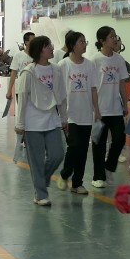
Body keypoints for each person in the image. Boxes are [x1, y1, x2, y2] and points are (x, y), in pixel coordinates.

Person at [15, 35, 66, 206]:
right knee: (36, 160)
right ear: (39, 50)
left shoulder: (56, 70)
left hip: (52, 120)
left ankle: (41, 180)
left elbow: (62, 96)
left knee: (57, 154)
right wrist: (20, 123)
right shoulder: (28, 72)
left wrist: (64, 118)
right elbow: (22, 98)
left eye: (50, 45)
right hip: (32, 123)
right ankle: (40, 194)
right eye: (47, 46)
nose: (52, 48)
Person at [53, 31, 98, 196]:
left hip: (86, 114)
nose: (84, 44)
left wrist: (97, 109)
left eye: (85, 42)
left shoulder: (90, 65)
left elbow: (93, 89)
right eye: (81, 42)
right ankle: (65, 174)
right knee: (74, 147)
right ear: (72, 45)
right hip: (70, 114)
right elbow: (58, 92)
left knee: (83, 150)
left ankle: (77, 183)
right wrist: (61, 115)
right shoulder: (63, 65)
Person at [90, 26, 129, 189]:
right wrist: (95, 109)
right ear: (102, 41)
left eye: (115, 36)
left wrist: (125, 103)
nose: (115, 39)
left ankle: (109, 166)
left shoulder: (119, 59)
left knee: (120, 139)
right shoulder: (94, 60)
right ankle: (98, 177)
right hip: (99, 109)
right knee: (99, 144)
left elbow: (121, 83)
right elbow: (92, 87)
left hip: (115, 108)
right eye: (111, 37)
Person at [1, 31, 36, 117]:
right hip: (22, 89)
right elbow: (13, 74)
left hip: (35, 89)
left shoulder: (37, 55)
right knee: (23, 113)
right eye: (33, 40)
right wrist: (9, 91)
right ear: (26, 42)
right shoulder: (18, 56)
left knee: (34, 114)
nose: (35, 42)